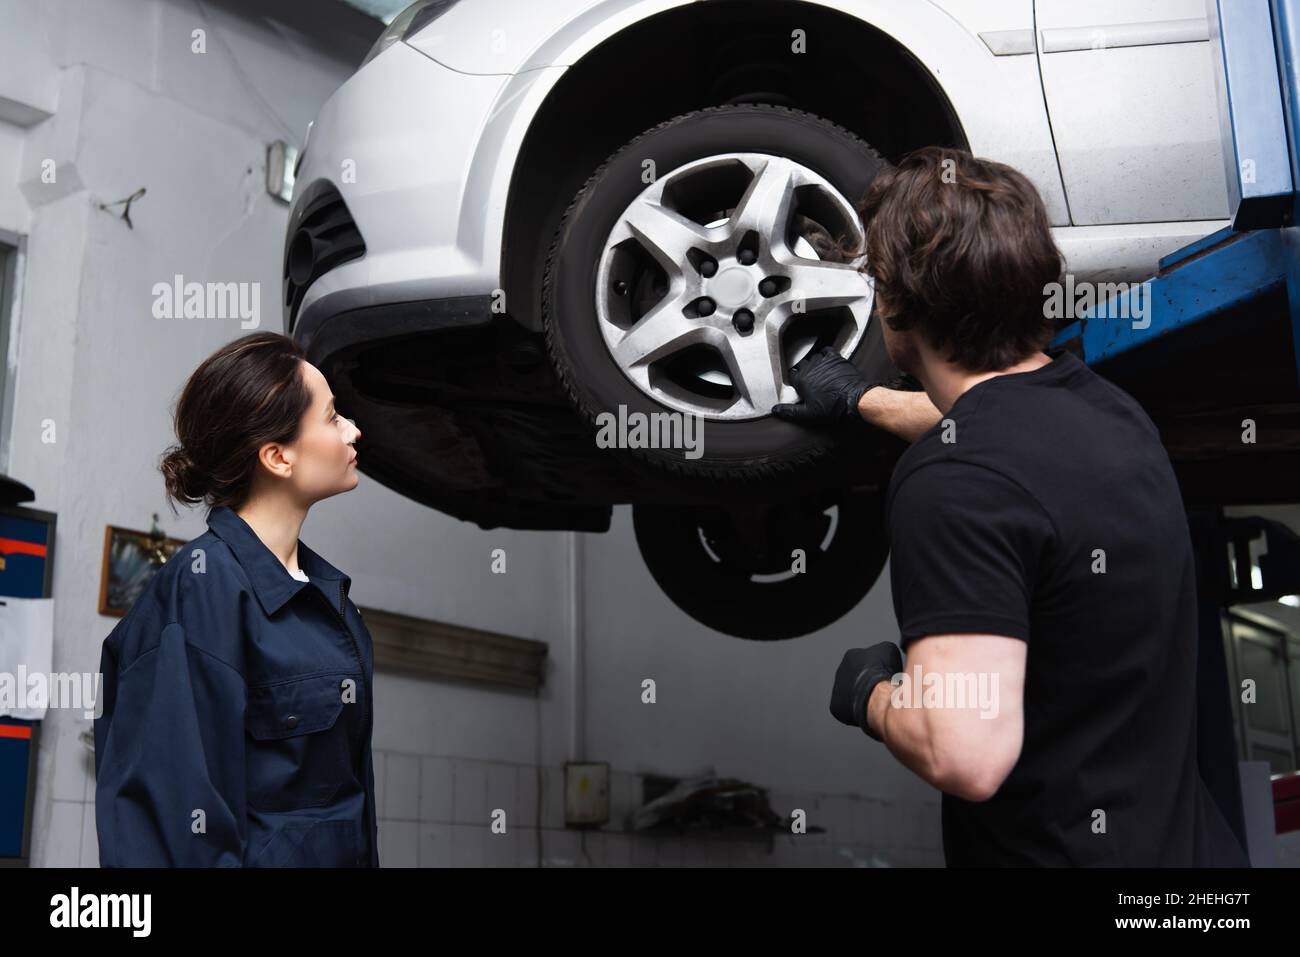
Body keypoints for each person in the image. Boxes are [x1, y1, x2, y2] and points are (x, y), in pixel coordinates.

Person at [773, 146, 1250, 867]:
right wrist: (861, 400)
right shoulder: (1113, 415)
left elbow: (967, 755)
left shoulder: (954, 483)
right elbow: (1010, 447)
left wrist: (871, 693)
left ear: (897, 303)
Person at [94, 331, 378, 867]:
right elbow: (173, 832)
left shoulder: (327, 598)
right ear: (278, 456)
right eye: (333, 417)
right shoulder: (203, 591)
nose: (354, 430)